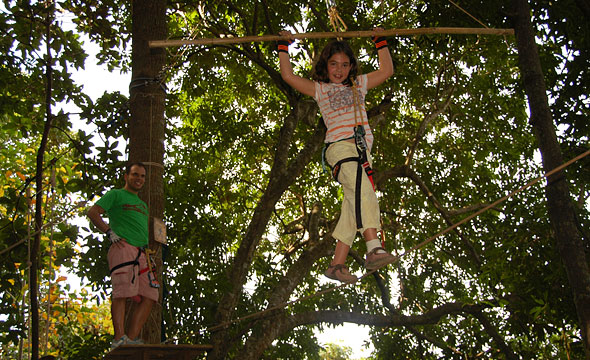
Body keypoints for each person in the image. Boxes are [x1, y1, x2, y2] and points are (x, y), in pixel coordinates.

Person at [278, 29, 396, 283]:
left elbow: (386, 71)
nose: (339, 69)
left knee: (354, 205)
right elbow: (287, 75)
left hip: (362, 151)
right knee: (362, 192)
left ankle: (336, 264)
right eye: (333, 64)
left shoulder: (358, 85)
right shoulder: (320, 90)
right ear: (325, 66)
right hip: (340, 148)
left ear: (351, 66)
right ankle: (373, 246)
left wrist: (380, 41)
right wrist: (283, 47)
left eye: (344, 64)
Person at [87, 162, 159, 349]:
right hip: (123, 247)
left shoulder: (143, 205)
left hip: (142, 252)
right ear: (126, 176)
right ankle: (119, 338)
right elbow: (93, 212)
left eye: (142, 176)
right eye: (135, 175)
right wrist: (109, 232)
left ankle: (130, 340)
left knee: (151, 294)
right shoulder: (116, 194)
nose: (139, 179)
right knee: (122, 292)